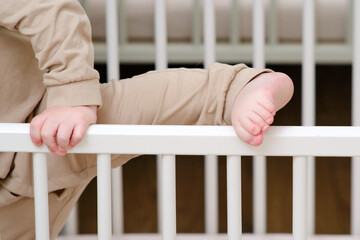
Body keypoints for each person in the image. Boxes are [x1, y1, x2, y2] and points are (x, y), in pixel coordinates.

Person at [0, 0, 294, 239]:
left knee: (159, 103)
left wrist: (72, 91)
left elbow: (47, 9)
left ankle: (238, 88)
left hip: (44, 127)